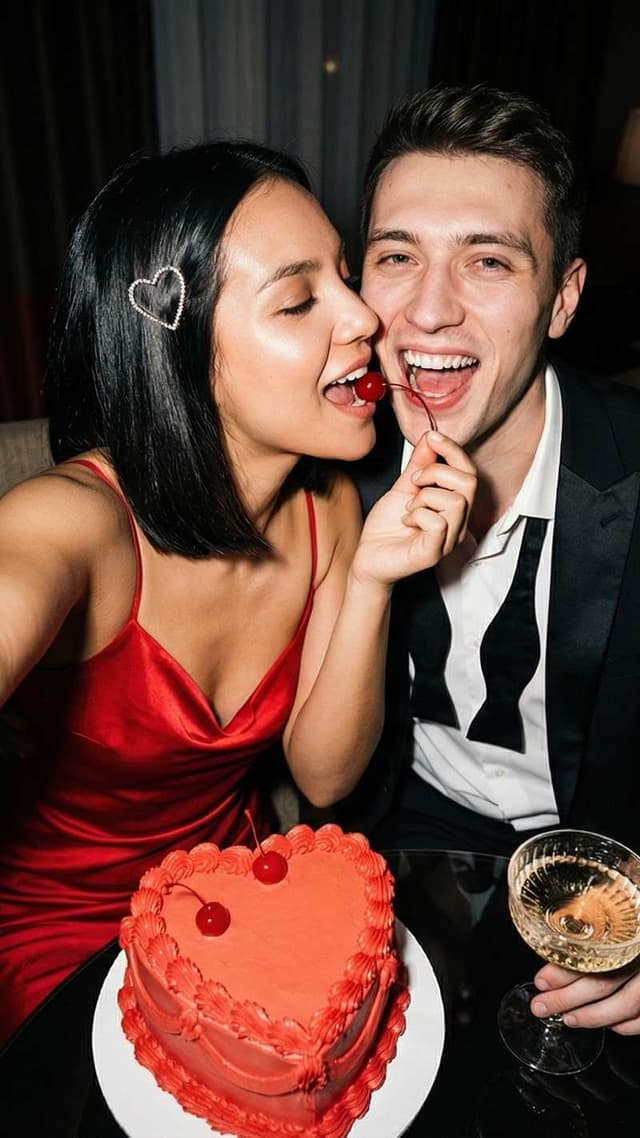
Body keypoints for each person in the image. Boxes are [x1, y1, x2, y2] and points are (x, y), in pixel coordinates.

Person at [0, 139, 476, 1045]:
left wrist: (373, 578)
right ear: (176, 353)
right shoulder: (71, 523)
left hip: (234, 894)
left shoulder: (329, 504)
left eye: (344, 276)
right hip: (52, 934)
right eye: (299, 299)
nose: (364, 318)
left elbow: (326, 776)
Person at [337, 84, 640, 1034]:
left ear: (563, 299)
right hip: (403, 852)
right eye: (398, 257)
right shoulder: (326, 472)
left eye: (488, 260)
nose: (428, 311)